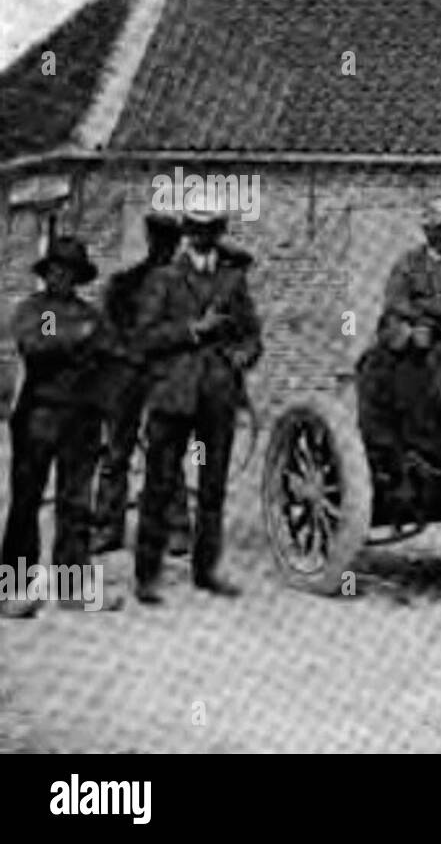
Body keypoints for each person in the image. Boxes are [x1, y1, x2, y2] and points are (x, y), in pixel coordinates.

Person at [131, 201, 262, 604]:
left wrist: (242, 356)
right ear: (186, 230)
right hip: (173, 399)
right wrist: (193, 330)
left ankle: (206, 569)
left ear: (220, 230)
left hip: (216, 403)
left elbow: (253, 334)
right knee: (160, 484)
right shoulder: (164, 279)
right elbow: (146, 337)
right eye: (196, 228)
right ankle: (147, 575)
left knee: (211, 486)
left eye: (212, 228)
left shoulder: (233, 280)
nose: (204, 236)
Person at [1, 237, 124, 617]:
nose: (62, 278)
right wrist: (77, 339)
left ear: (77, 276)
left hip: (81, 422)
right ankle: (12, 591)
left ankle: (73, 588)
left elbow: (113, 359)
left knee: (75, 506)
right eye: (56, 270)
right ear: (46, 272)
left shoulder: (91, 314)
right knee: (26, 503)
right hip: (39, 416)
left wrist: (107, 414)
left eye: (69, 272)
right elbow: (35, 343)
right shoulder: (36, 310)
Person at [357, 198, 441, 513]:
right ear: (428, 229)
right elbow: (395, 302)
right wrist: (421, 324)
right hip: (409, 335)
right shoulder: (408, 264)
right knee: (406, 375)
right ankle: (410, 450)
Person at [94, 211, 188, 556]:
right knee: (116, 452)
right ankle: (107, 527)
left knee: (166, 452)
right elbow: (107, 330)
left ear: (177, 245)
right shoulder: (125, 283)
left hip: (164, 377)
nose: (165, 248)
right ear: (151, 242)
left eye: (171, 243)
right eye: (160, 242)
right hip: (126, 376)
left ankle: (176, 527)